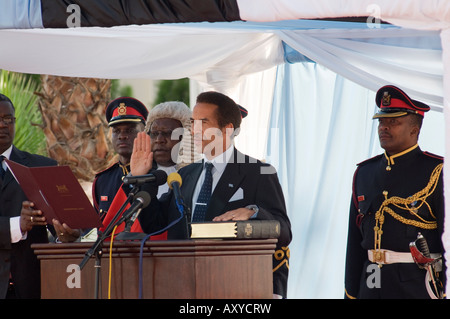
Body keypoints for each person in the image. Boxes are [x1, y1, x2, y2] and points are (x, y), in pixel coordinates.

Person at [132, 91, 292, 298]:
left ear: (227, 130)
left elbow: (285, 231)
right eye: (193, 122)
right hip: (181, 286)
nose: (194, 130)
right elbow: (155, 223)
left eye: (203, 122)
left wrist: (252, 212)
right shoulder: (185, 174)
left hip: (234, 287)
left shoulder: (258, 173)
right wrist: (141, 178)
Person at [344, 85, 445, 299]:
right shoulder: (364, 173)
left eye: (393, 122)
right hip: (371, 283)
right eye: (381, 121)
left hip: (416, 286)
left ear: (414, 129)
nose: (383, 128)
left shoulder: (436, 171)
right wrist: (351, 293)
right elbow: (354, 244)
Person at [0, 93, 57, 298]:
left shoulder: (42, 167)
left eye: (8, 119)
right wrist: (18, 225)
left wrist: (67, 233)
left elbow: (62, 225)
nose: (3, 125)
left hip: (34, 286)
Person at [92, 97, 148, 235]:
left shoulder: (154, 174)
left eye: (129, 131)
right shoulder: (102, 180)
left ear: (145, 133)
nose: (122, 136)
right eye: (116, 131)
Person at [144, 101, 193, 198]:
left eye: (167, 133)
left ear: (186, 137)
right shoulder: (138, 177)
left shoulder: (199, 177)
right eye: (154, 133)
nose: (159, 140)